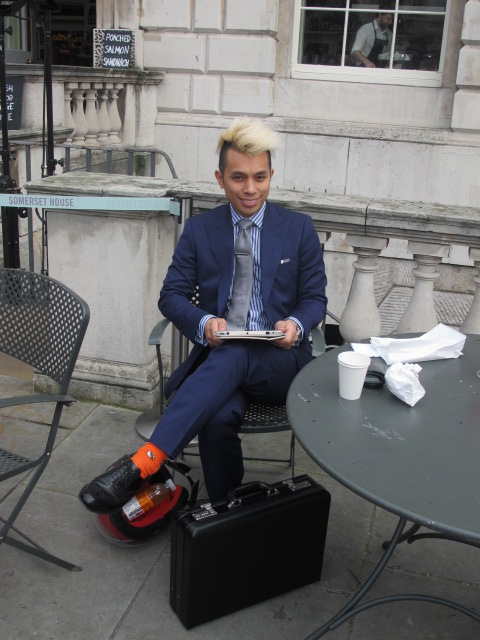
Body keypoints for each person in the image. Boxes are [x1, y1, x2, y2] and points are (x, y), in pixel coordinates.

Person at [79, 116, 327, 510]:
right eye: (238, 177)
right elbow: (171, 296)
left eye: (260, 177)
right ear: (220, 179)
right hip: (222, 363)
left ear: (271, 176)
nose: (250, 188)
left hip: (280, 363)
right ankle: (226, 511)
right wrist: (204, 323)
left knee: (236, 354)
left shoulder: (298, 229)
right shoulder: (200, 230)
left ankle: (145, 462)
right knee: (217, 417)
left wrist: (295, 325)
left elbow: (315, 298)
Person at [351, 2, 394, 68]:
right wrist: (366, 62)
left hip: (381, 69)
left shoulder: (389, 34)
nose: (390, 22)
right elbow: (355, 51)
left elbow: (388, 54)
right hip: (364, 69)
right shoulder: (366, 29)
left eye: (392, 19)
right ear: (380, 15)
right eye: (388, 19)